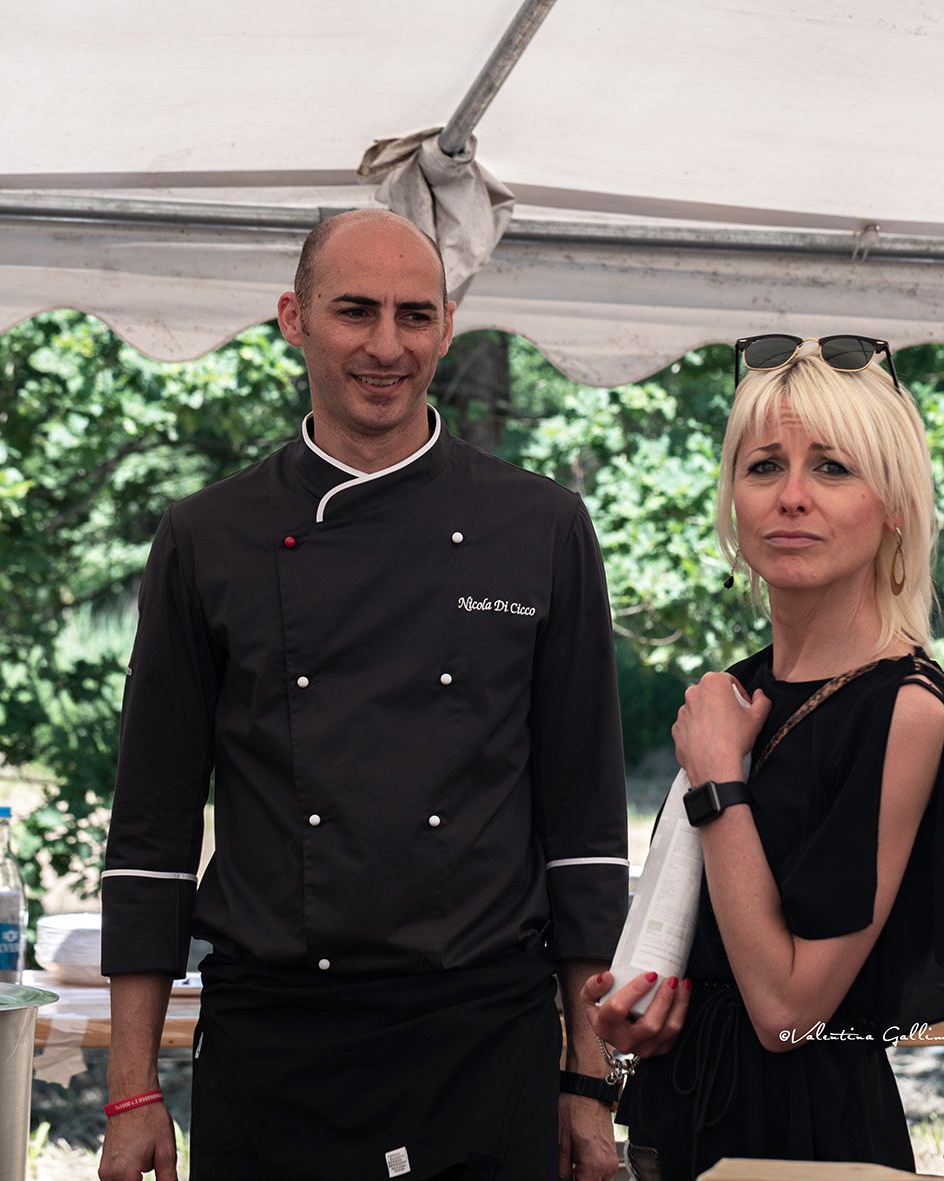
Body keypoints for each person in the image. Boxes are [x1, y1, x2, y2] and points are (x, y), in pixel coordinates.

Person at [96, 209, 631, 1181]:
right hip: (276, 1043)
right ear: (293, 318)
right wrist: (132, 1089)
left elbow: (583, 827)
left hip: (483, 1036)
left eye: (414, 315)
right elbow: (151, 834)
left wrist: (586, 1076)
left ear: (447, 326)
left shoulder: (540, 526)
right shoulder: (208, 536)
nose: (387, 346)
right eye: (355, 311)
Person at [584, 335, 944, 1180]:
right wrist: (640, 1010)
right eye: (764, 466)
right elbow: (697, 946)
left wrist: (719, 784)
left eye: (832, 467)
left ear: (894, 503)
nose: (792, 495)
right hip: (677, 1113)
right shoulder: (732, 694)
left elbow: (788, 1010)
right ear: (733, 497)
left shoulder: (904, 706)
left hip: (804, 1137)